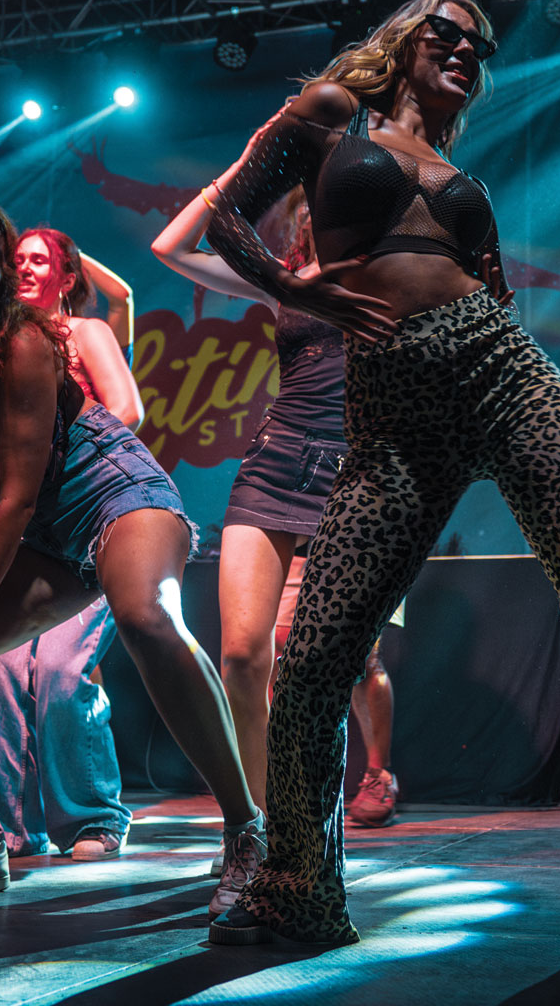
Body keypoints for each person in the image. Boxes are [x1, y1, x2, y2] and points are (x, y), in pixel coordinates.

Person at [194, 0, 560, 961]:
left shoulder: (461, 174)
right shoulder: (333, 116)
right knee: (315, 655)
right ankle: (298, 890)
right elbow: (224, 219)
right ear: (402, 39)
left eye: (482, 44)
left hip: (504, 369)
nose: (468, 49)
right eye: (448, 32)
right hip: (391, 401)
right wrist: (293, 288)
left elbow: (493, 286)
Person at [0, 190, 261, 913]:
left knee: (146, 617)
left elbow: (14, 500)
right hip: (48, 533)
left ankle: (249, 831)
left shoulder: (23, 340)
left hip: (116, 493)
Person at [152, 189, 402, 828]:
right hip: (275, 464)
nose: (321, 209)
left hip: (358, 476)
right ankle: (260, 826)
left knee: (342, 663)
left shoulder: (397, 272)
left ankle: (358, 785)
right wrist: (245, 165)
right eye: (312, 201)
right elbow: (171, 247)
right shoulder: (284, 281)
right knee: (242, 656)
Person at [0, 226, 134, 862]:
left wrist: (54, 465)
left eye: (39, 260)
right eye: (17, 260)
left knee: (64, 673)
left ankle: (94, 817)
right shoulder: (0, 347)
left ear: (66, 277)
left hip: (86, 517)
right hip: (22, 531)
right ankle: (11, 827)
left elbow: (127, 409)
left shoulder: (84, 332)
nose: (25, 268)